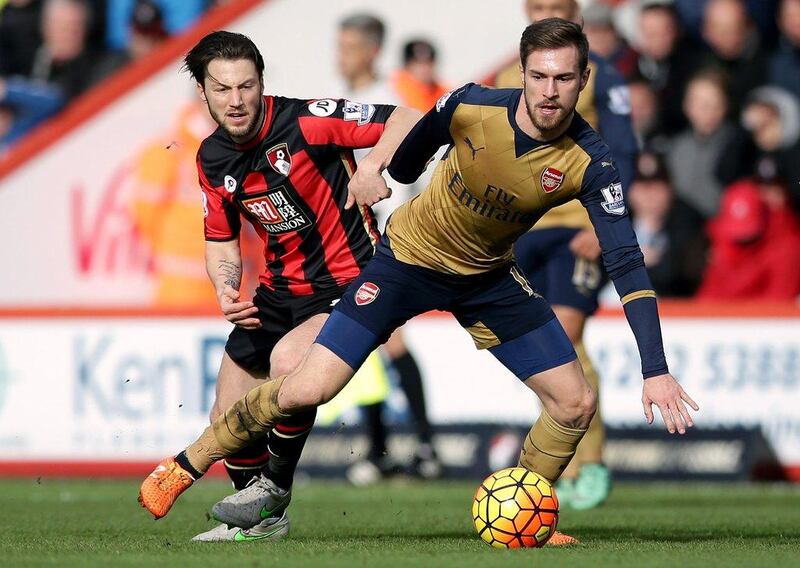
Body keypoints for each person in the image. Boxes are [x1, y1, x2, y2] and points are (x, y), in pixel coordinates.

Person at [140, 19, 698, 547]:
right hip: (405, 262)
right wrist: (377, 169)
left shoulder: (591, 162)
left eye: (563, 78)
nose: (550, 91)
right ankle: (187, 464)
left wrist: (656, 370)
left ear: (584, 80)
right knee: (307, 385)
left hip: (487, 278)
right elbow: (410, 158)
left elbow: (625, 262)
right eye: (539, 76)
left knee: (576, 403)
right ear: (521, 73)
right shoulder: (471, 105)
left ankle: (526, 511)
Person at [160, 30, 420, 542]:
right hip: (278, 291)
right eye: (223, 89)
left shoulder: (306, 119)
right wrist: (224, 289)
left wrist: (372, 166)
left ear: (261, 83)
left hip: (349, 282)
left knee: (286, 366)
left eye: (246, 86)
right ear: (204, 93)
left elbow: (406, 117)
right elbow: (221, 240)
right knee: (227, 418)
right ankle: (265, 523)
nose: (236, 101)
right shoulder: (211, 158)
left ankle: (273, 492)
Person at [490, 0, 638, 511]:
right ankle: (564, 463)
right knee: (549, 348)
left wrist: (606, 220)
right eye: (540, 6)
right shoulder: (512, 74)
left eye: (557, 6)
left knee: (570, 334)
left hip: (578, 227)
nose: (548, 11)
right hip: (524, 230)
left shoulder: (602, 77)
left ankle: (590, 462)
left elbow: (623, 150)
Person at [335, 13, 442, 482]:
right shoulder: (331, 97)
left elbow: (412, 168)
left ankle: (418, 444)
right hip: (344, 230)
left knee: (382, 335)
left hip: (381, 226)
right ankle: (388, 447)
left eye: (350, 45)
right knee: (370, 335)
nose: (341, 54)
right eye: (339, 45)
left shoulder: (393, 101)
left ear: (372, 50)